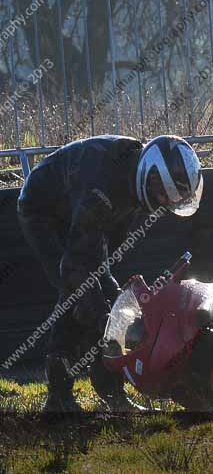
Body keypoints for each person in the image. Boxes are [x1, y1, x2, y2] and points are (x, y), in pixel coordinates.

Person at [16, 134, 203, 412]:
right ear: (151, 176)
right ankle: (58, 399)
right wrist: (97, 314)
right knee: (78, 297)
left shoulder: (136, 189)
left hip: (79, 210)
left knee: (113, 298)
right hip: (44, 211)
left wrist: (114, 309)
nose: (167, 202)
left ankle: (111, 391)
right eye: (166, 194)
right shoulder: (101, 192)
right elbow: (75, 267)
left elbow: (102, 261)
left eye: (174, 198)